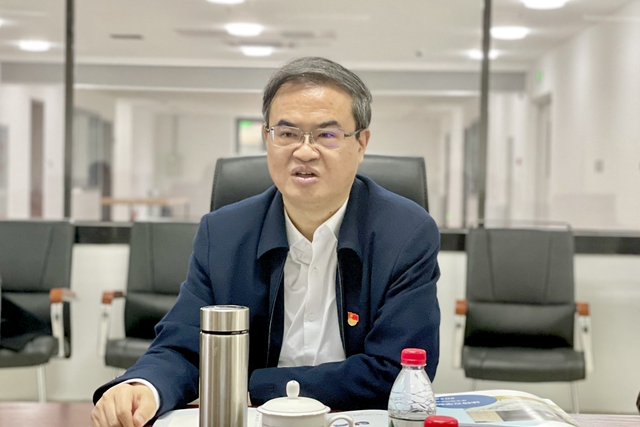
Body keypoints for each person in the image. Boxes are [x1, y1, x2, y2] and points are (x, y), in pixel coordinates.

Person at [91, 57, 441, 427]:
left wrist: (256, 388)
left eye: (327, 135)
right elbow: (184, 346)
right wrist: (144, 386)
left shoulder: (405, 234)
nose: (304, 151)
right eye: (287, 134)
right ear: (267, 139)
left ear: (361, 143)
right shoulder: (223, 234)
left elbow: (399, 371)